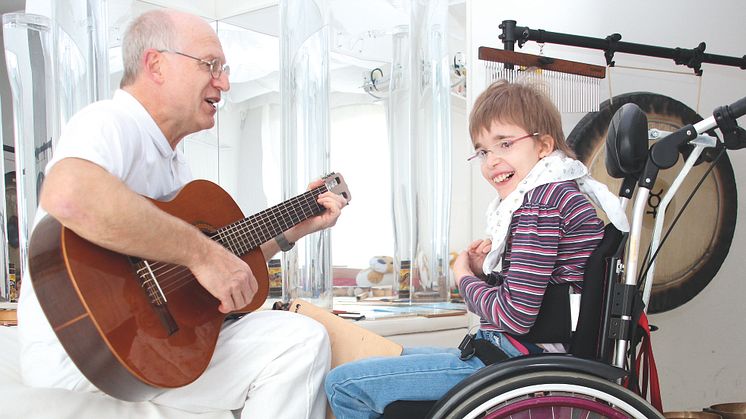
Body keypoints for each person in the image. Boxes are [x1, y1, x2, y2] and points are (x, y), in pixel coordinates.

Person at [17, 9, 348, 419]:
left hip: (136, 346)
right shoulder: (110, 121)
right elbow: (67, 194)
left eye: (224, 70)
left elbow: (212, 270)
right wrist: (202, 254)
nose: (224, 82)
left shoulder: (176, 166)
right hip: (86, 355)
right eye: (211, 65)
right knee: (299, 342)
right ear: (155, 63)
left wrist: (290, 232)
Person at [324, 80, 629, 418]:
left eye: (505, 143)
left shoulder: (540, 205)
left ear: (543, 145)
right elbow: (547, 287)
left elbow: (516, 315)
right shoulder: (561, 194)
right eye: (484, 151)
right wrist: (487, 271)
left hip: (518, 361)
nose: (492, 161)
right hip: (517, 352)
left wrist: (464, 276)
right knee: (386, 355)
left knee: (343, 384)